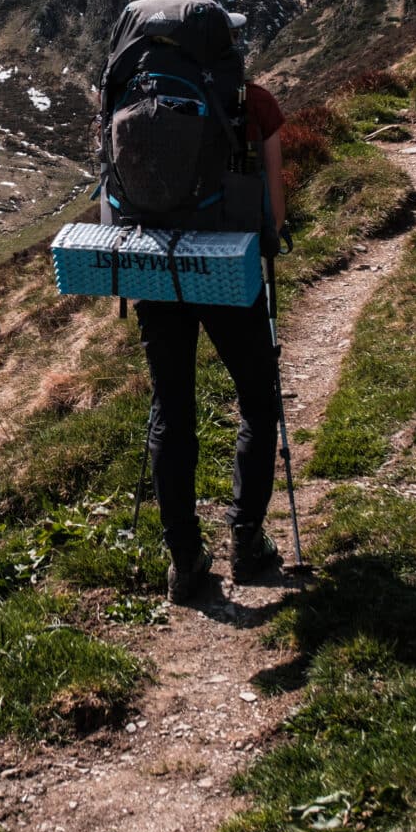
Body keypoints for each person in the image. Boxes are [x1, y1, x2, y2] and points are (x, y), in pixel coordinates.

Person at [132, 43, 289, 604]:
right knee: (256, 397)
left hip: (154, 268)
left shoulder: (127, 100)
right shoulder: (256, 105)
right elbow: (276, 208)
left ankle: (185, 561)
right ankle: (247, 542)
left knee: (171, 407)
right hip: (227, 267)